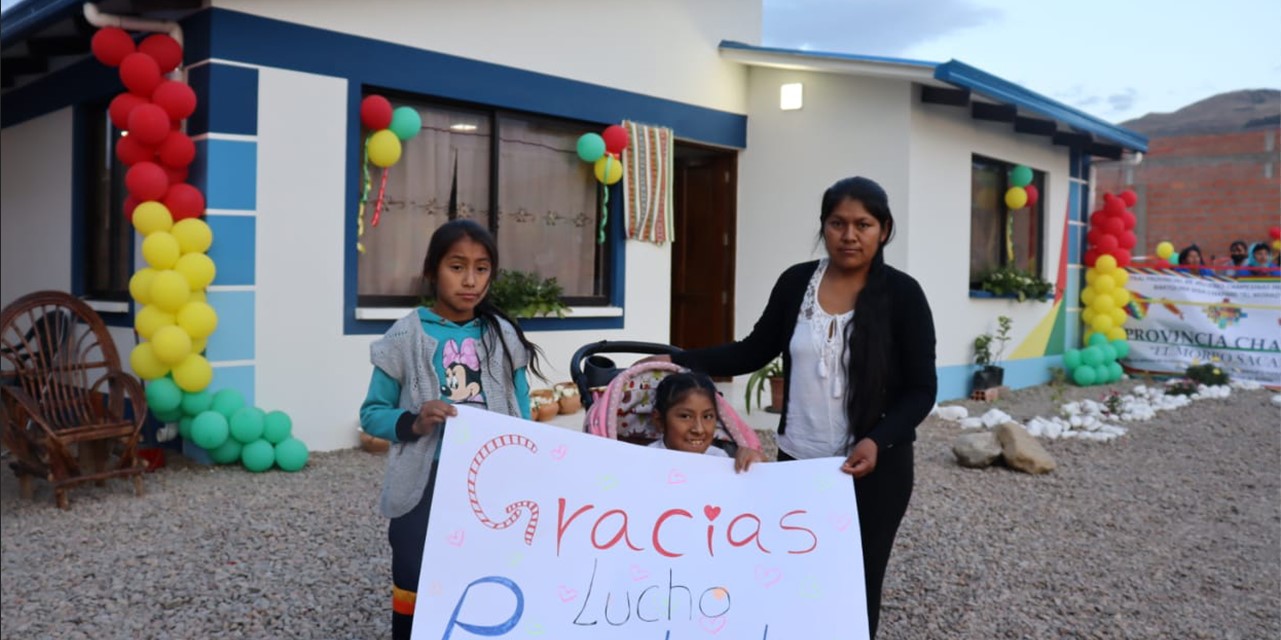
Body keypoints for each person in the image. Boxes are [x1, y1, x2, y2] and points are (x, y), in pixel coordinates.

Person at [643, 176, 937, 638]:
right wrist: (677, 359)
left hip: (875, 468)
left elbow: (922, 389)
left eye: (863, 224)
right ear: (823, 226)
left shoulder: (904, 295)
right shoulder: (797, 282)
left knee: (857, 582)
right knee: (796, 574)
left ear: (884, 229)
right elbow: (753, 350)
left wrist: (878, 440)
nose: (849, 235)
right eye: (837, 223)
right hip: (799, 462)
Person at [358, 219, 544, 640]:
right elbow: (372, 414)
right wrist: (414, 420)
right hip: (425, 481)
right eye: (457, 267)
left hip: (491, 483)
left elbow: (522, 413)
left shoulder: (502, 336)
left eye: (482, 268)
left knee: (484, 573)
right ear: (432, 270)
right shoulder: (406, 336)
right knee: (413, 571)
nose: (471, 280)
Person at [648, 370, 766, 471]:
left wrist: (754, 465)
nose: (699, 429)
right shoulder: (645, 461)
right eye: (685, 416)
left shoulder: (721, 460)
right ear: (659, 420)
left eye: (707, 416)